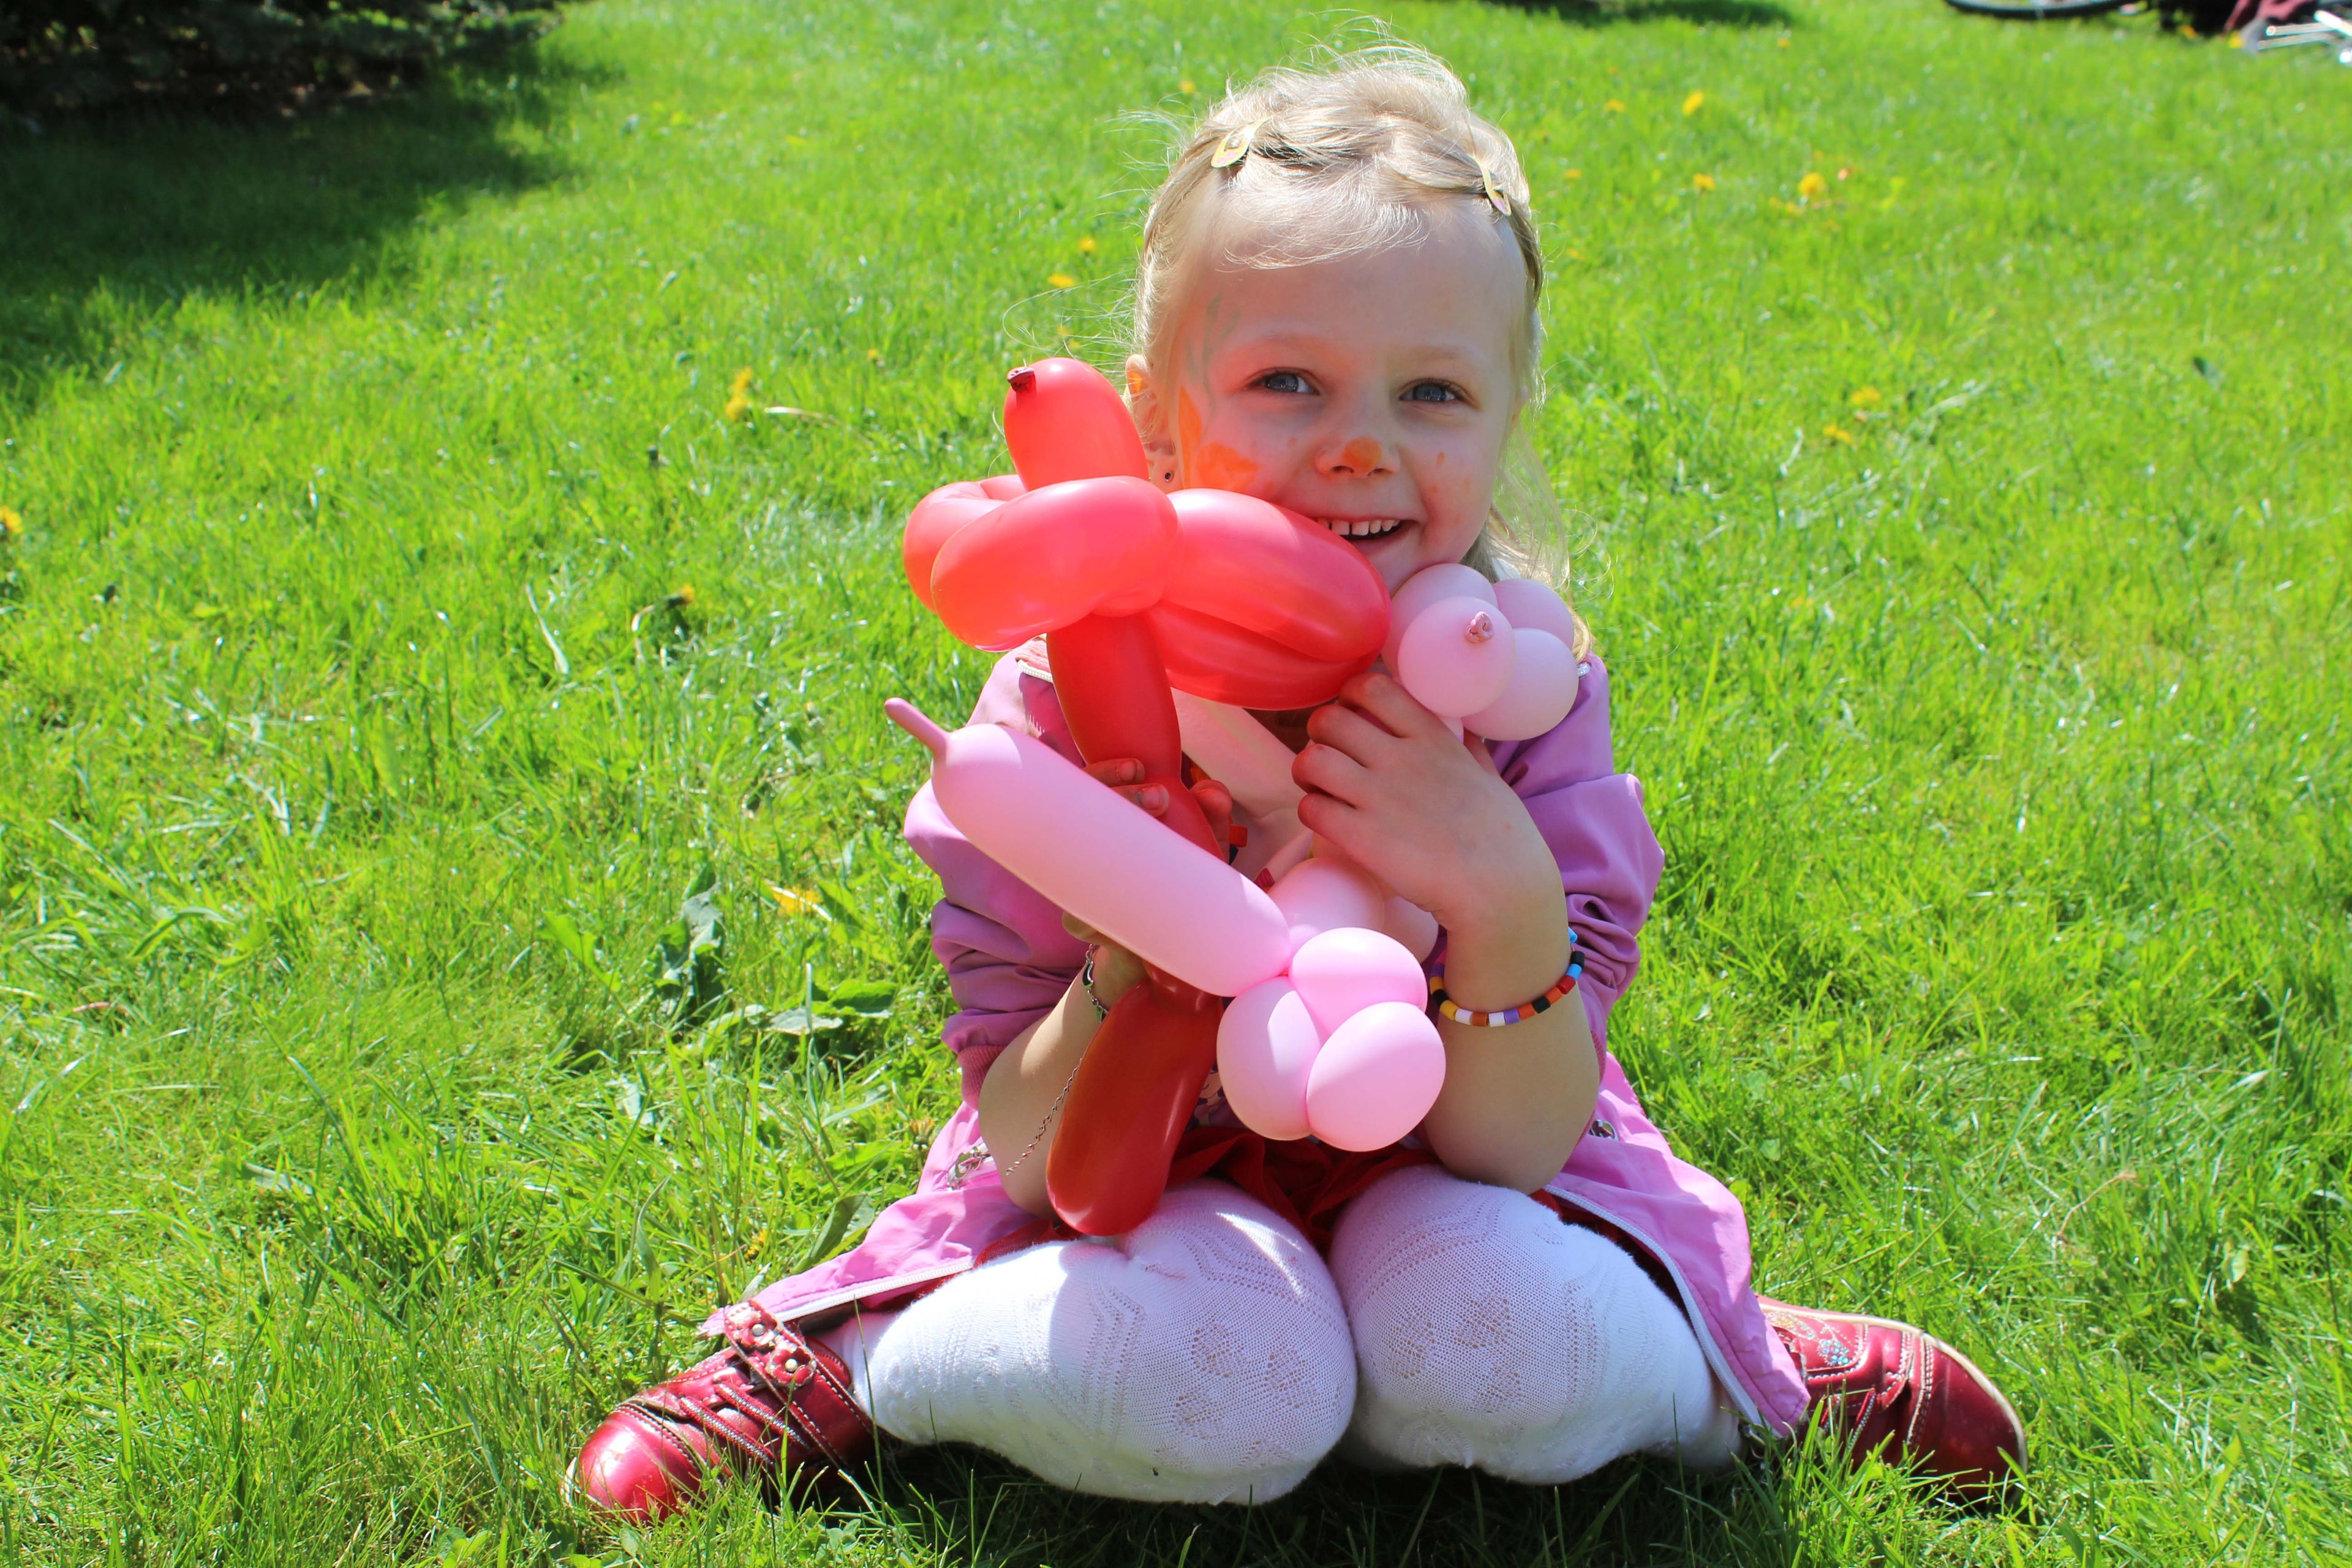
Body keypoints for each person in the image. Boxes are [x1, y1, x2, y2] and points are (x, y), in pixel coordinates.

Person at [573, 43, 2026, 1521]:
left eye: (1434, 392)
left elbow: (1515, 1137)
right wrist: (1138, 960)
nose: (1360, 443)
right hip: (1148, 1201)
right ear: (1154, 419)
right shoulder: (1065, 705)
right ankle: (873, 1366)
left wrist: (1500, 885)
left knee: (1492, 1335)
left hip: (1464, 1178)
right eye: (1287, 381)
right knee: (1233, 1383)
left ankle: (1727, 1376)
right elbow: (1026, 1148)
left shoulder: (1516, 691)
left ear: (1510, 410)